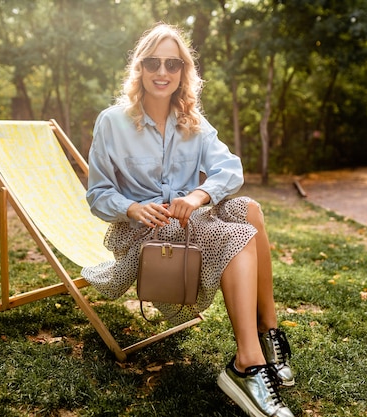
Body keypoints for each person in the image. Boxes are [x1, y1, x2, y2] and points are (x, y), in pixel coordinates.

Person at [83, 22, 295, 417]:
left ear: (183, 72)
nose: (162, 72)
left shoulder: (192, 122)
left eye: (172, 64)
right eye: (152, 63)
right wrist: (132, 207)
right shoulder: (112, 122)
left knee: (250, 210)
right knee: (239, 235)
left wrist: (197, 194)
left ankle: (268, 330)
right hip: (145, 231)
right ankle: (248, 363)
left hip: (190, 219)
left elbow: (231, 169)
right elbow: (97, 194)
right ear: (140, 69)